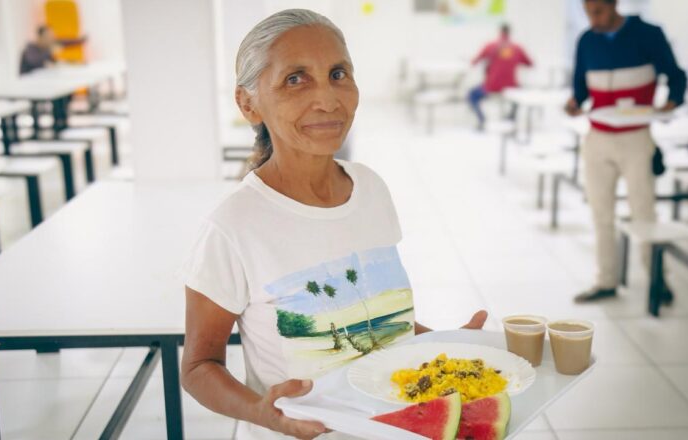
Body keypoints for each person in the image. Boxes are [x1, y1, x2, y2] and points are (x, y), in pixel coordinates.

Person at [180, 9, 488, 440]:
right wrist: (262, 413)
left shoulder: (371, 188)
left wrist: (450, 347)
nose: (328, 98)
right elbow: (197, 367)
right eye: (295, 78)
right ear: (248, 103)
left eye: (338, 73)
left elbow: (381, 319)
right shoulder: (232, 225)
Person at [565, 0, 687, 303]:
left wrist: (672, 101)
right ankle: (606, 280)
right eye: (587, 12)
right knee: (600, 212)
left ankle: (657, 279)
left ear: (614, 4)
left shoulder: (648, 34)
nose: (593, 19)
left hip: (636, 138)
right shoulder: (587, 40)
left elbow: (676, 75)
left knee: (643, 210)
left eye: (599, 12)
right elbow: (581, 85)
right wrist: (574, 102)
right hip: (598, 137)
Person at [468, 24, 532, 131]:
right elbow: (530, 63)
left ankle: (482, 120)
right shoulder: (517, 48)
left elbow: (474, 61)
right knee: (518, 97)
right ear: (509, 32)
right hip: (511, 87)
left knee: (471, 95)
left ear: (499, 32)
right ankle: (510, 119)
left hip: (491, 87)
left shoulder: (490, 46)